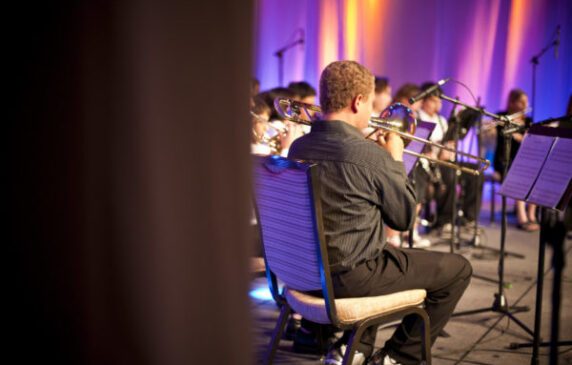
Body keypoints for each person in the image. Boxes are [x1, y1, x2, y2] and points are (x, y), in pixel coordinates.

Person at [289, 60, 472, 365]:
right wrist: (395, 161)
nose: (373, 112)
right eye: (372, 103)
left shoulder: (299, 147)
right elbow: (402, 219)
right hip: (348, 279)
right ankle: (399, 357)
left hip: (305, 274)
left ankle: (357, 349)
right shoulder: (371, 156)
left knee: (377, 249)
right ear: (358, 101)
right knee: (459, 269)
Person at [494, 89, 538, 231]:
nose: (525, 104)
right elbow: (499, 139)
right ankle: (521, 216)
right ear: (513, 102)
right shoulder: (502, 117)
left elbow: (532, 141)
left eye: (526, 102)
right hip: (505, 161)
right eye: (522, 102)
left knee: (536, 173)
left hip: (524, 161)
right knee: (520, 174)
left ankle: (532, 215)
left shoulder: (528, 121)